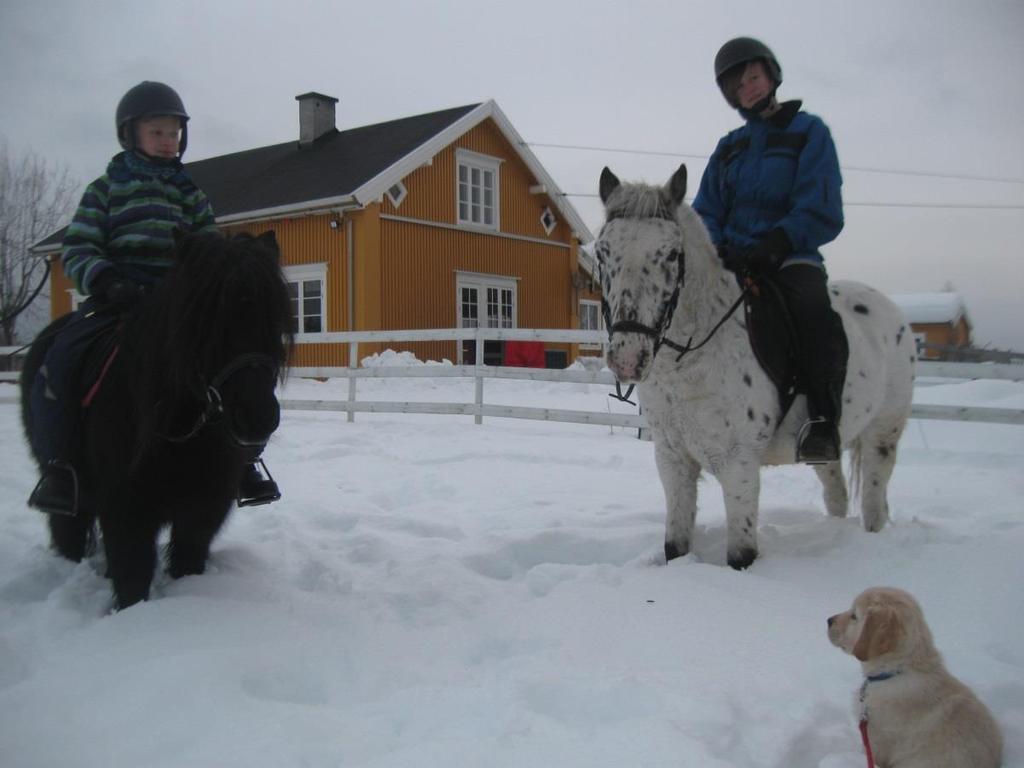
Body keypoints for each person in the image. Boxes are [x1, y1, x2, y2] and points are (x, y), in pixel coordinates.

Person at [28, 81, 279, 515]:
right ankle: (59, 467)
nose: (168, 142)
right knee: (61, 361)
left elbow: (208, 253)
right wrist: (105, 278)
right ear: (130, 135)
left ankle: (244, 461)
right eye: (157, 132)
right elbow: (79, 247)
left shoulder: (191, 195)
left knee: (226, 369)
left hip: (177, 307)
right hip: (116, 299)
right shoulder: (104, 190)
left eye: (174, 133)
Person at [693, 37, 847, 463]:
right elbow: (705, 208)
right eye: (739, 86)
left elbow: (820, 203)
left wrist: (777, 242)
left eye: (754, 78)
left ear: (771, 75)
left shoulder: (808, 132)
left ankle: (822, 419)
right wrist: (715, 249)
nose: (749, 89)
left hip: (790, 255)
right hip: (732, 260)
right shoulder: (728, 147)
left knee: (813, 311)